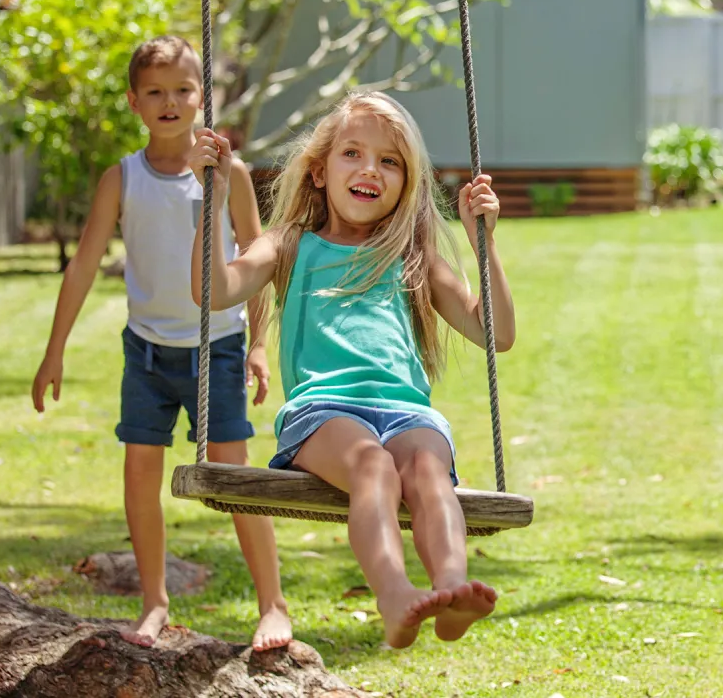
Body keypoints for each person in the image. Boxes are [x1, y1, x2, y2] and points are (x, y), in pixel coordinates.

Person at [186, 91, 514, 649]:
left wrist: (485, 243)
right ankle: (393, 596)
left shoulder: (410, 253)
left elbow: (496, 334)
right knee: (374, 469)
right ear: (318, 170)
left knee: (430, 476)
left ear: (406, 184)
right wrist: (210, 203)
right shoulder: (290, 244)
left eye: (390, 162)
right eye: (353, 154)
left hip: (408, 412)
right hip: (323, 413)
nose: (370, 170)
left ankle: (452, 589)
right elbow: (213, 291)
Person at [30, 36, 291, 651]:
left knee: (235, 480)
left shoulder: (228, 173)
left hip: (217, 349)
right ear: (134, 102)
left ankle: (273, 604)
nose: (169, 102)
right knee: (139, 472)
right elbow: (84, 265)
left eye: (182, 90)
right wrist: (55, 348)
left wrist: (258, 344)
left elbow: (257, 258)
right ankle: (154, 601)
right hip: (146, 352)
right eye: (155, 92)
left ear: (202, 97)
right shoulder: (121, 178)